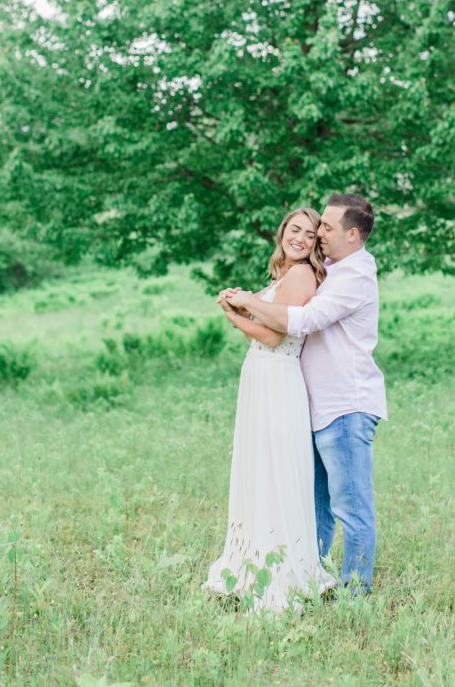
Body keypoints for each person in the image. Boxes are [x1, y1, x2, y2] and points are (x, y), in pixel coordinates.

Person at [224, 193, 387, 594]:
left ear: (352, 234)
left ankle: (354, 593)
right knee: (312, 505)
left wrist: (245, 304)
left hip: (345, 405)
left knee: (351, 508)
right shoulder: (329, 266)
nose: (318, 236)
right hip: (310, 404)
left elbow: (303, 320)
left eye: (327, 228)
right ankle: (304, 577)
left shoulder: (356, 277)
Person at [202, 207, 336, 612]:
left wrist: (234, 315)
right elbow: (263, 324)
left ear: (316, 244)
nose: (299, 237)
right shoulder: (283, 274)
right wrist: (241, 304)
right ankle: (253, 558)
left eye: (309, 234)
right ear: (283, 231)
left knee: (275, 469)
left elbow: (276, 338)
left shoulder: (300, 275)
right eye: (294, 229)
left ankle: (281, 568)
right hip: (260, 376)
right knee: (259, 467)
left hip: (277, 376)